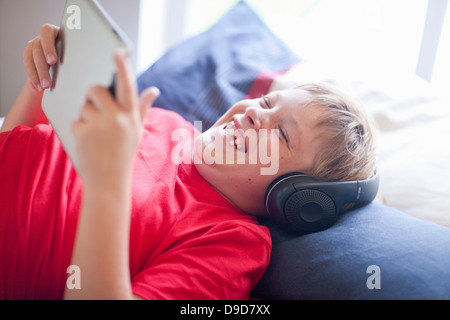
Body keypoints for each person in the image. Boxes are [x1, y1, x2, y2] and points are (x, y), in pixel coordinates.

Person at [0, 24, 376, 300]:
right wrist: (42, 84)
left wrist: (107, 181)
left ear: (295, 195)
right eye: (265, 103)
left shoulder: (232, 244)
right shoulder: (166, 122)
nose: (253, 115)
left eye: (282, 133)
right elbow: (23, 148)